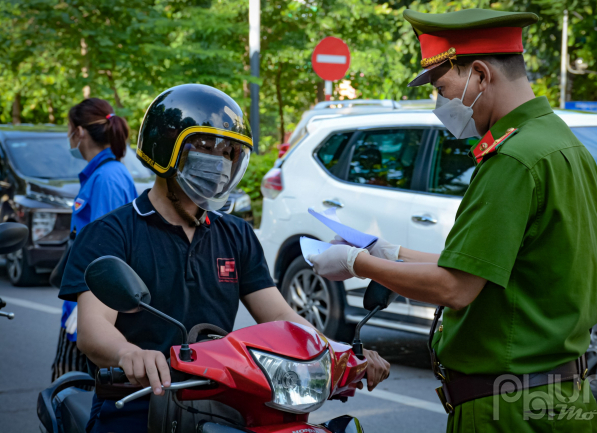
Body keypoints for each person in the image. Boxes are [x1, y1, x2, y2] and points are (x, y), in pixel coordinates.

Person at [308, 8, 597, 433]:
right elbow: (487, 267)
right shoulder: (560, 142)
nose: (439, 104)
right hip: (557, 397)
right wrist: (391, 253)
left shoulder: (513, 159)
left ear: (481, 75)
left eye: (441, 87)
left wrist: (357, 264)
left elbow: (456, 287)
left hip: (508, 409)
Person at [57, 84, 390, 433]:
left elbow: (280, 316)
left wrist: (341, 352)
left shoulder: (236, 234)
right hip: (136, 402)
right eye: (204, 148)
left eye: (230, 153)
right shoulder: (112, 231)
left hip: (217, 406)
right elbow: (94, 331)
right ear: (165, 148)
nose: (219, 162)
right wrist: (129, 354)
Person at [52, 99, 137, 382]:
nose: (68, 136)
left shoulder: (107, 179)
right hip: (86, 305)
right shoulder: (101, 174)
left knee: (69, 394)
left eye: (68, 129)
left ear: (80, 132)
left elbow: (106, 256)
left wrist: (84, 311)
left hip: (89, 310)